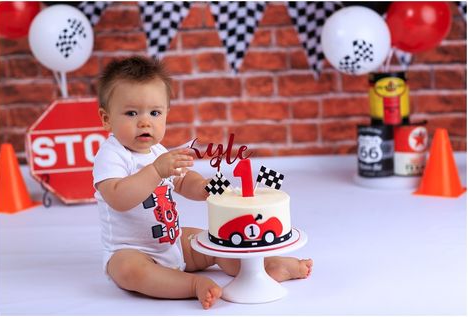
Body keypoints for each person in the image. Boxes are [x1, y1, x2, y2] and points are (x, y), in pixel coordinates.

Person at [93, 56, 313, 309]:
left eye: (155, 113)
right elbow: (118, 198)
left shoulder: (157, 152)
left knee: (209, 241)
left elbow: (183, 181)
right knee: (130, 272)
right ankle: (192, 285)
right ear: (106, 118)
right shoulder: (111, 155)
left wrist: (204, 188)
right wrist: (155, 171)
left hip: (171, 241)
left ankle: (262, 266)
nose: (145, 122)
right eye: (132, 113)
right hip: (131, 250)